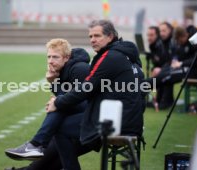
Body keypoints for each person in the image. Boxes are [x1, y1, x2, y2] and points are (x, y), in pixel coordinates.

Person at [46, 20, 145, 170]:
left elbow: (86, 88)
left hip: (117, 121)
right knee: (69, 130)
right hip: (132, 119)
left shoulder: (110, 56)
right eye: (90, 36)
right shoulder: (128, 55)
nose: (92, 40)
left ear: (110, 36)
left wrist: (58, 101)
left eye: (97, 35)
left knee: (60, 127)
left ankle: (41, 150)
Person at [5, 39, 91, 159]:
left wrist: (56, 97)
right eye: (49, 57)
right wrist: (54, 84)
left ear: (66, 58)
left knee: (59, 105)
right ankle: (36, 146)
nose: (50, 61)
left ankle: (36, 144)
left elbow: (77, 98)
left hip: (94, 112)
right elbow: (67, 96)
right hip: (82, 109)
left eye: (55, 57)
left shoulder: (80, 68)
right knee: (59, 105)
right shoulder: (63, 69)